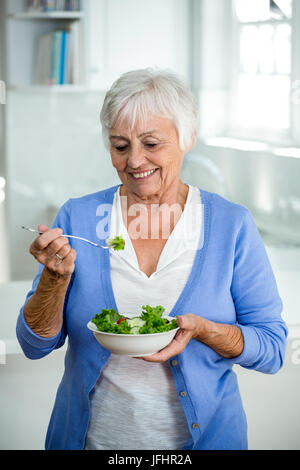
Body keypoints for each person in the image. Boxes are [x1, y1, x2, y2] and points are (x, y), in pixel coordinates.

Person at [17, 68, 287, 450]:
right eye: (120, 145)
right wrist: (53, 280)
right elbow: (34, 345)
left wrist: (207, 332)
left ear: (187, 137)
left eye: (151, 143)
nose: (134, 161)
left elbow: (273, 349)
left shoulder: (231, 225)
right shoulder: (78, 218)